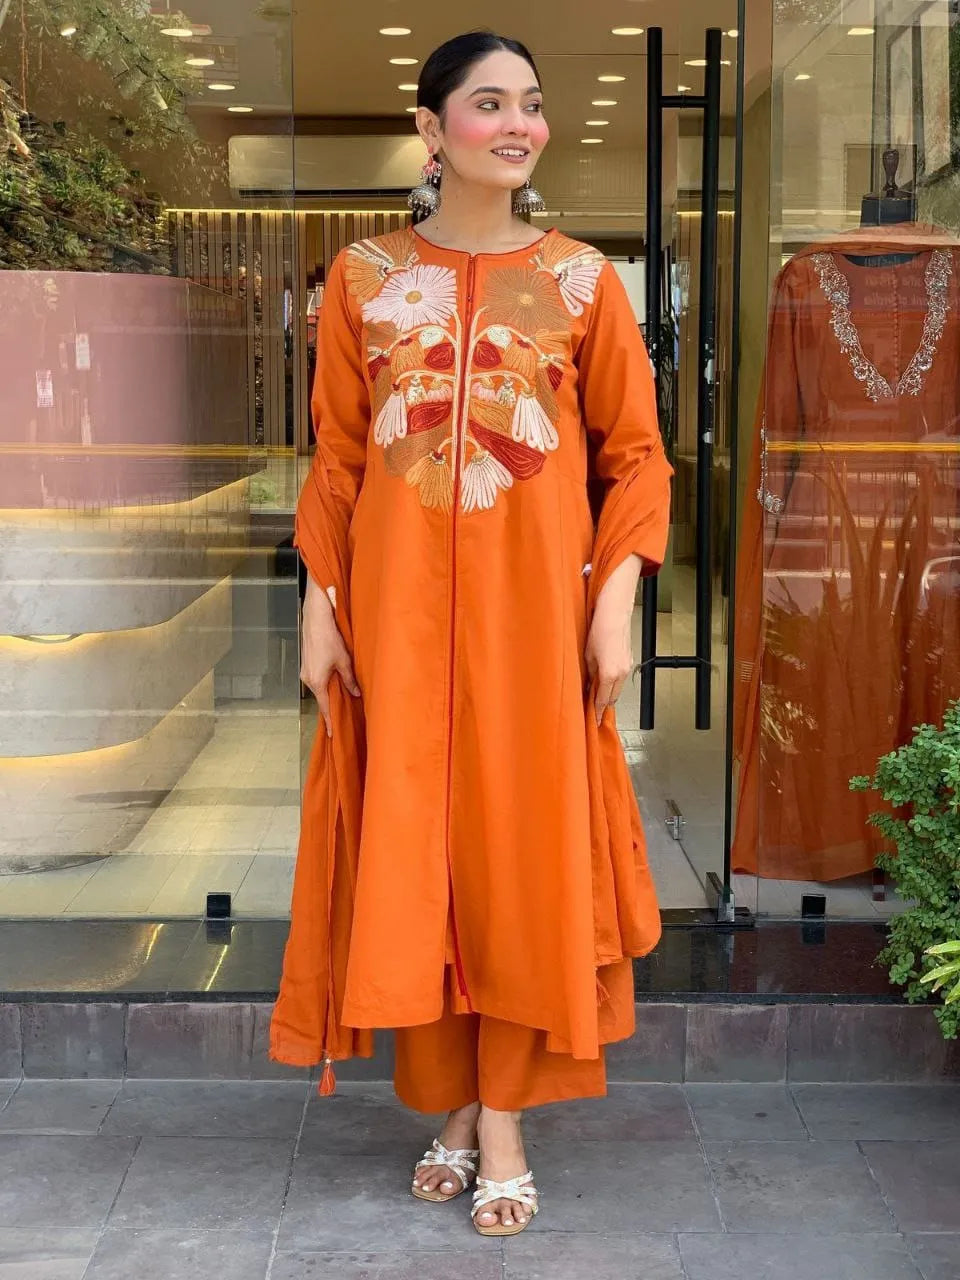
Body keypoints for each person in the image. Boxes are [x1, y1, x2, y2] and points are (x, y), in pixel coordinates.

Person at [269, 29, 673, 1237]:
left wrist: (615, 604)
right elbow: (340, 455)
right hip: (393, 627)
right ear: (433, 128)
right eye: (488, 103)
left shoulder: (585, 284)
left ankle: (499, 1123)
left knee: (516, 859)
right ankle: (454, 1105)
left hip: (534, 629)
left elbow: (636, 457)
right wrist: (319, 604)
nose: (518, 124)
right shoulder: (360, 279)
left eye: (532, 106)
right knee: (420, 859)